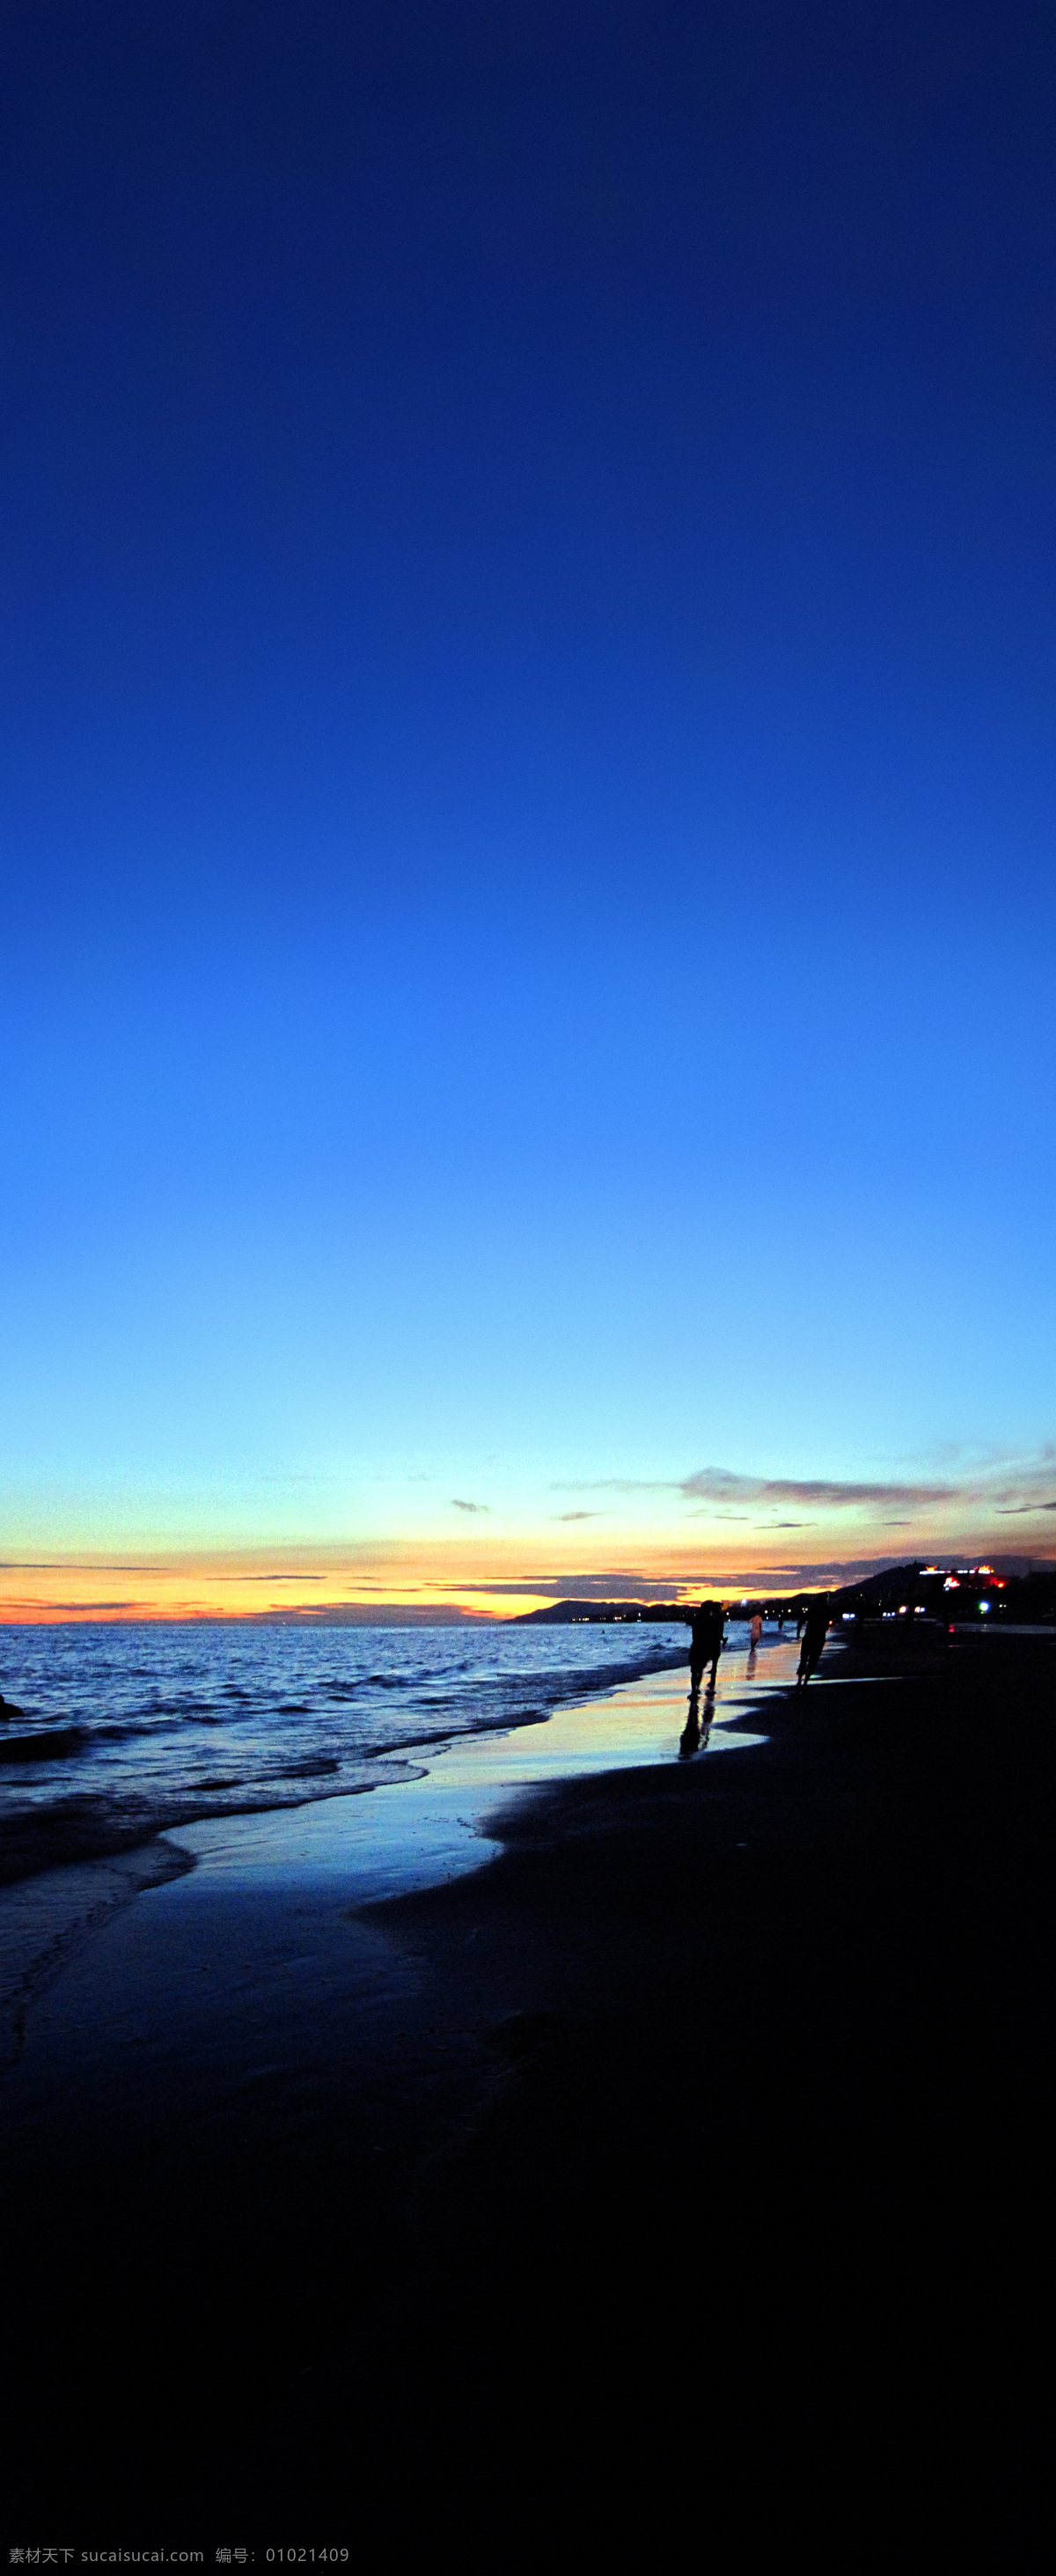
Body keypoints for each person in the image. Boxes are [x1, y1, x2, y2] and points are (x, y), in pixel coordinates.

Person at [796, 1593, 830, 1688]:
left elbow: (801, 1621)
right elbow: (837, 1617)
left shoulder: (812, 1608)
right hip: (819, 1637)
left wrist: (798, 1635)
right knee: (813, 1660)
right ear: (825, 1599)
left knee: (803, 1659)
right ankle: (806, 1682)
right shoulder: (827, 1608)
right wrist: (828, 1625)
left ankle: (799, 1681)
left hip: (808, 1637)